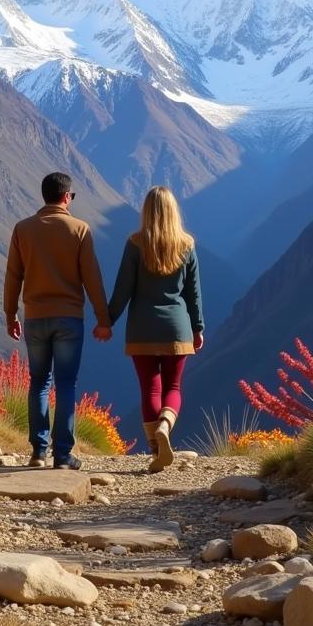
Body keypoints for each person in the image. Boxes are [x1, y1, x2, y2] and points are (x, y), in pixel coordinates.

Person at [4, 172, 113, 470]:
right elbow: (92, 278)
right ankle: (63, 455)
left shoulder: (22, 229)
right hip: (69, 318)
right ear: (67, 197)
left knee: (39, 382)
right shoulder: (79, 229)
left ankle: (38, 451)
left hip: (35, 318)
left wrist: (10, 313)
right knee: (66, 383)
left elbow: (14, 275)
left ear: (45, 196)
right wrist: (103, 319)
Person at [108, 186, 204, 472]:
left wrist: (107, 321)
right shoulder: (186, 244)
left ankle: (155, 448)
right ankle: (166, 424)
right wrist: (198, 328)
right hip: (177, 327)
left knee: (150, 387)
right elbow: (193, 293)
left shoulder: (135, 243)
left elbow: (123, 288)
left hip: (141, 328)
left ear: (146, 211)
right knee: (173, 386)